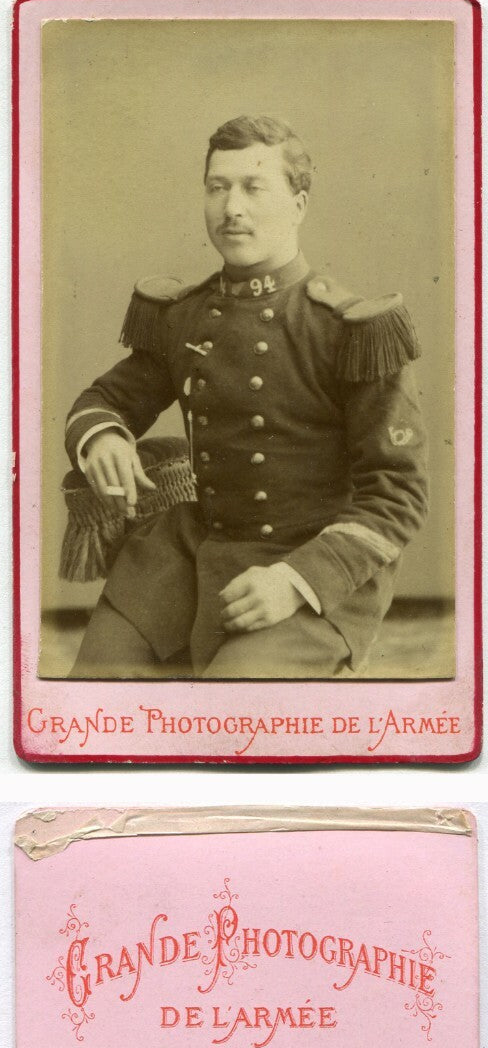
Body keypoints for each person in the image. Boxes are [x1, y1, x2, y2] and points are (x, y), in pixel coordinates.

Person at [65, 114, 428, 679]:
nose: (232, 206)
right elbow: (105, 398)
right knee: (96, 682)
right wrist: (106, 435)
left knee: (238, 713)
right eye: (218, 186)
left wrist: (295, 580)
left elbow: (398, 493)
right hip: (191, 550)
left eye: (254, 187)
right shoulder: (183, 315)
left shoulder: (349, 330)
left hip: (310, 563)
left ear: (298, 205)